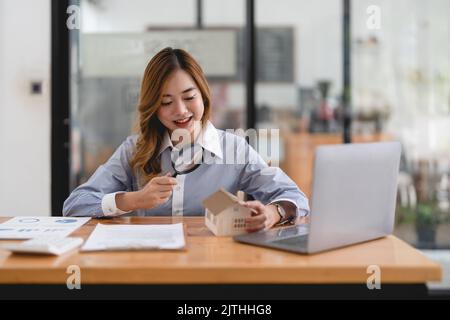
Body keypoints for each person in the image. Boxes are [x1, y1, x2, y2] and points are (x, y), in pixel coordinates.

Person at [63, 47, 309, 232]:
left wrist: (272, 212)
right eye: (166, 102)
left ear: (203, 96)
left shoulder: (233, 148)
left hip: (211, 267)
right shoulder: (134, 150)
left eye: (189, 97)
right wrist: (133, 199)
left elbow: (296, 197)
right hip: (149, 265)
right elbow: (74, 205)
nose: (180, 111)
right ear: (153, 108)